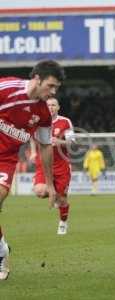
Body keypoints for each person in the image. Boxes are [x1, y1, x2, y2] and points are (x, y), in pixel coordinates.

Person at [0, 60, 65, 280]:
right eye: (51, 86)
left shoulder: (43, 113)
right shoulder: (7, 89)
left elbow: (46, 146)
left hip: (5, 159)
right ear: (37, 79)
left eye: (56, 88)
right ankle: (2, 251)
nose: (53, 91)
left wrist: (49, 183)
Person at [30, 97, 75, 235]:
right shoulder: (38, 121)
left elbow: (72, 142)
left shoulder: (65, 121)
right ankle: (52, 193)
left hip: (61, 165)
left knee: (62, 200)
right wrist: (32, 152)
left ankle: (63, 222)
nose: (50, 107)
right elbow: (32, 136)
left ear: (58, 107)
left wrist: (59, 142)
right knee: (40, 192)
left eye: (53, 105)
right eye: (48, 105)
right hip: (43, 163)